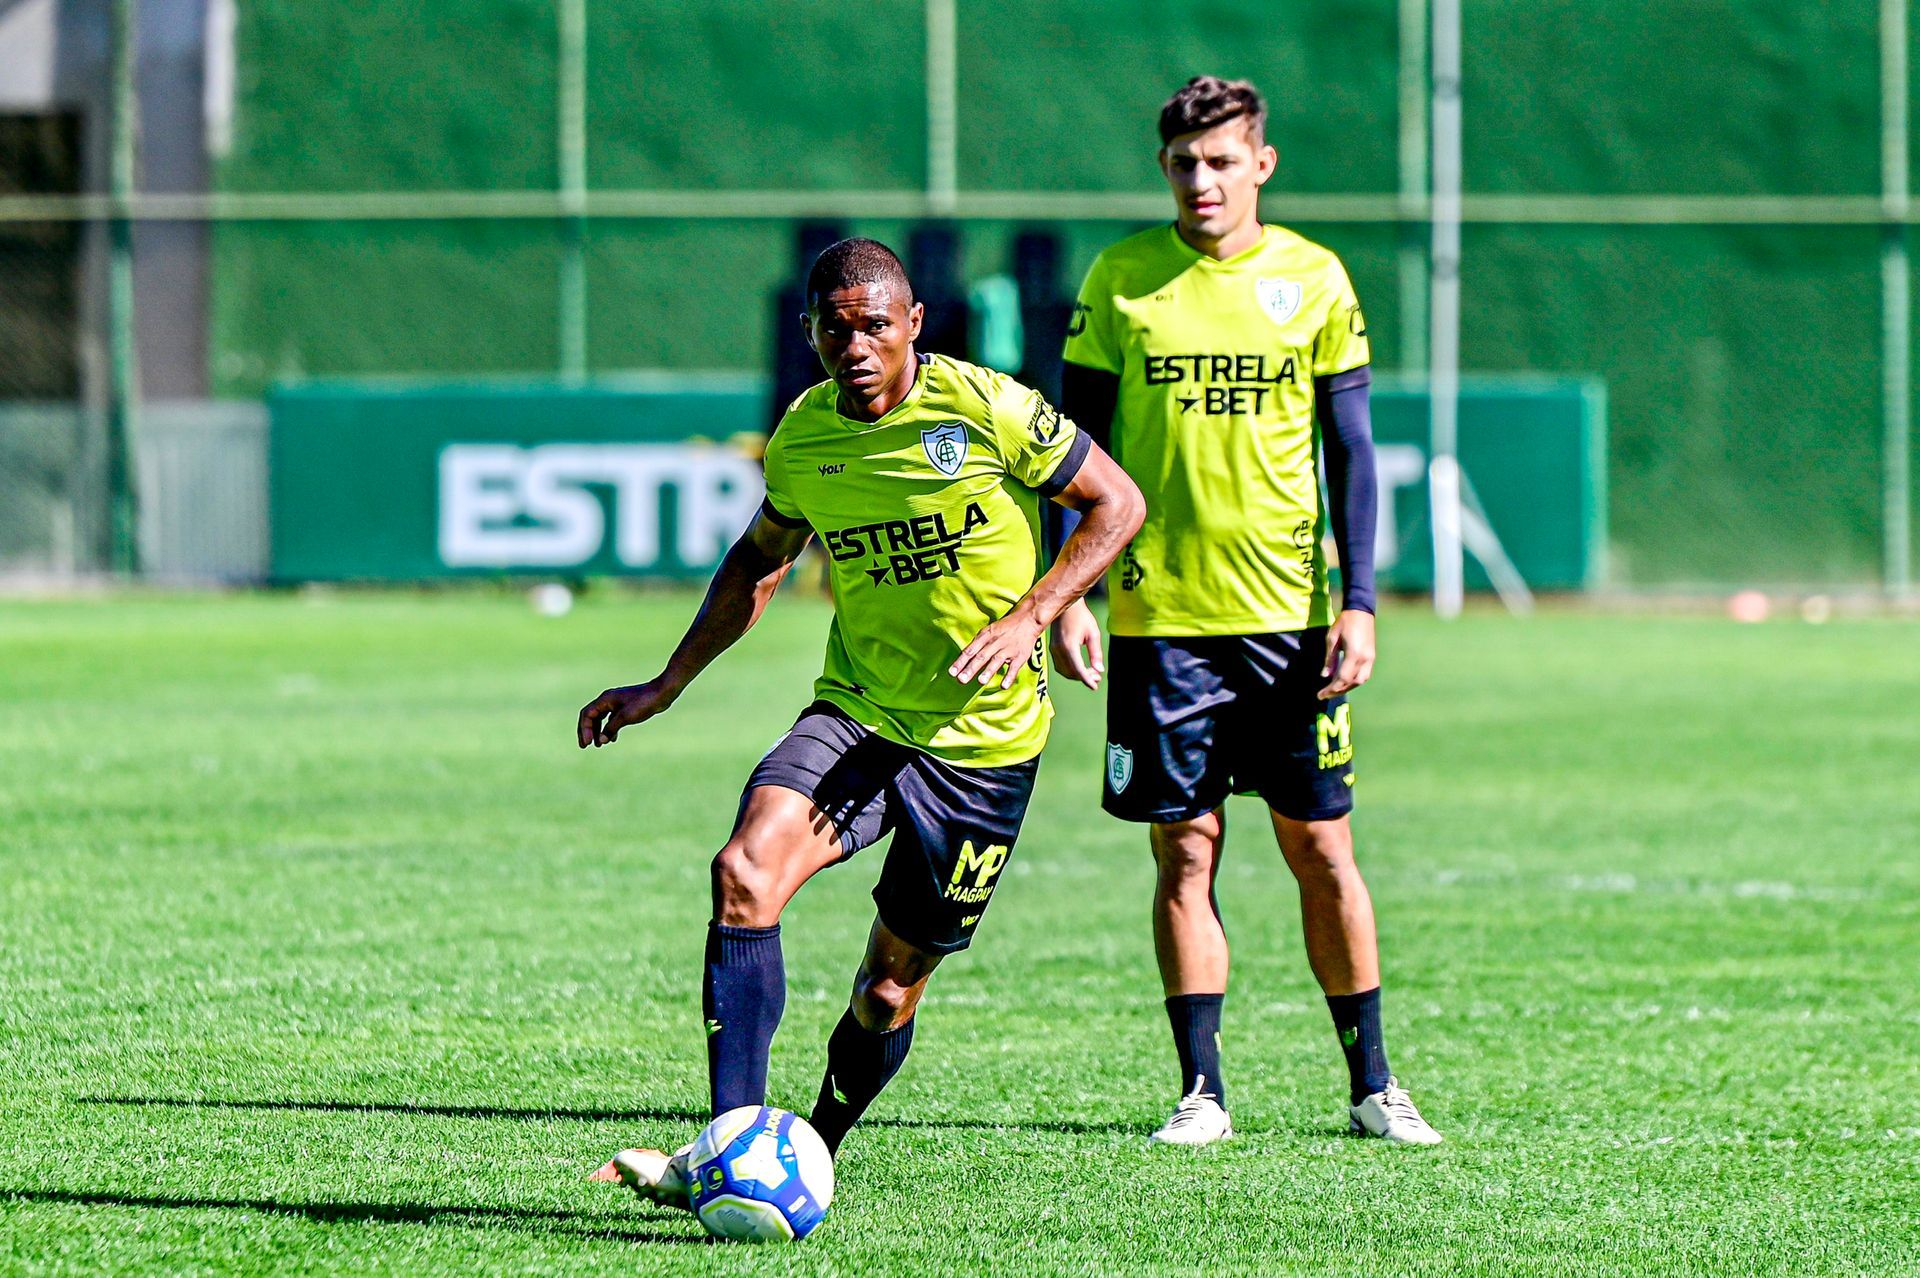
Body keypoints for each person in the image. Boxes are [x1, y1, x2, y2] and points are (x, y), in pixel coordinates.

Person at [580, 237, 1145, 1205]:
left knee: (888, 992)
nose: (856, 346)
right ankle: (732, 1149)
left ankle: (818, 1148)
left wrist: (1036, 616)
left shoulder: (984, 407)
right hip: (859, 714)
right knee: (744, 873)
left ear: (913, 324)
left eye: (876, 326)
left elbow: (1115, 503)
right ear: (809, 334)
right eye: (834, 329)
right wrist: (667, 683)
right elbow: (759, 561)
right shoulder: (805, 438)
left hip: (983, 747)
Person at [1052, 76, 1441, 1145]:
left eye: (1224, 160)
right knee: (1185, 850)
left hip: (1290, 622)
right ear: (1164, 167)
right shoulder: (1121, 279)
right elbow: (1074, 456)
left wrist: (1358, 605)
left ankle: (1373, 1086)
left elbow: (1352, 453)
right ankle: (1202, 1092)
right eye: (1185, 162)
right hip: (1157, 620)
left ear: (1261, 164)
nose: (1203, 179)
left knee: (1321, 848)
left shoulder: (1315, 280)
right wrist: (1069, 591)